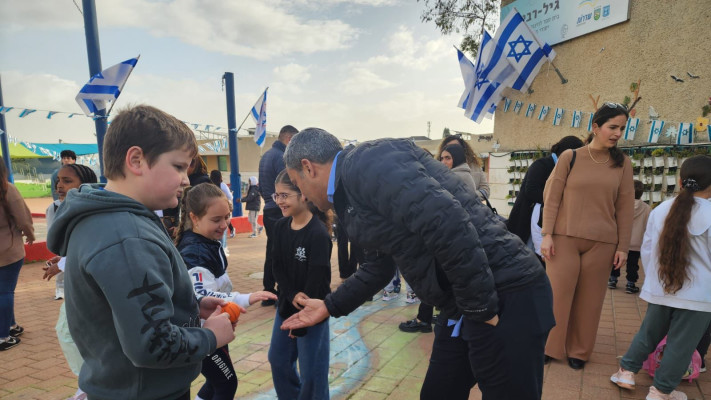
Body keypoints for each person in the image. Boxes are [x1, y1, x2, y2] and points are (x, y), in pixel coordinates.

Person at [280, 128, 554, 400]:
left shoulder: (366, 165)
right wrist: (329, 305)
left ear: (308, 167)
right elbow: (378, 267)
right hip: (464, 299)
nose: (302, 195)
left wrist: (481, 310)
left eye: (296, 182)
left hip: (506, 292)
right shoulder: (347, 195)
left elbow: (448, 223)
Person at [46, 105, 236, 400]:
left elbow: (124, 307)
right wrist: (210, 337)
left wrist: (189, 306)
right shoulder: (127, 237)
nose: (186, 179)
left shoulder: (109, 222)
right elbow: (151, 344)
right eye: (178, 166)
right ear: (136, 160)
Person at [540, 102, 635, 370]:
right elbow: (552, 198)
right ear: (596, 127)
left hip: (602, 243)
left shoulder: (623, 164)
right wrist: (547, 234)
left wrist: (623, 247)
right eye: (612, 127)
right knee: (557, 296)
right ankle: (550, 347)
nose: (617, 133)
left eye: (622, 128)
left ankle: (579, 352)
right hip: (563, 239)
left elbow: (625, 207)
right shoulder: (571, 157)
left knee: (590, 301)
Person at [610, 155, 711, 400]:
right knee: (681, 345)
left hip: (662, 287)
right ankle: (661, 391)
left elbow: (648, 249)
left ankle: (626, 371)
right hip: (698, 296)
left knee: (648, 333)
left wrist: (656, 280)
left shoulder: (662, 209)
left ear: (679, 180)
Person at [175, 183, 276, 400]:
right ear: (194, 218)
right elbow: (203, 295)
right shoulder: (195, 251)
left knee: (218, 381)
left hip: (215, 327)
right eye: (215, 220)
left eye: (227, 216)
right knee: (226, 383)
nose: (224, 225)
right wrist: (245, 298)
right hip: (203, 330)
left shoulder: (207, 242)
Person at [268, 170, 332, 400]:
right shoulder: (279, 228)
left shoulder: (317, 234)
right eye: (276, 196)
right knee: (278, 360)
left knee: (312, 374)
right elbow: (277, 267)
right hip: (285, 308)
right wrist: (291, 293)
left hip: (312, 313)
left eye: (284, 195)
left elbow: (318, 280)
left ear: (303, 195)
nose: (279, 201)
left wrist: (303, 322)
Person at [400, 143, 477, 334]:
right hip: (452, 236)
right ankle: (437, 315)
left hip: (450, 237)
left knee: (433, 278)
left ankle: (425, 319)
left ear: (457, 158)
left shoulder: (457, 176)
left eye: (448, 158)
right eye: (441, 158)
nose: (443, 162)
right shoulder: (461, 174)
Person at [42, 163, 97, 400]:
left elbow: (91, 247)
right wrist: (62, 258)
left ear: (84, 185)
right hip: (79, 286)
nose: (59, 186)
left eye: (67, 181)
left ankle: (90, 385)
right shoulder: (72, 209)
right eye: (58, 181)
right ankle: (88, 383)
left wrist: (62, 265)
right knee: (68, 332)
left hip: (88, 287)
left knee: (69, 332)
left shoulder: (88, 211)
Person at [506, 136, 584, 262]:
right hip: (526, 217)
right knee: (523, 257)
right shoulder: (542, 165)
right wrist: (556, 200)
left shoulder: (563, 168)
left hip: (542, 219)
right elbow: (531, 190)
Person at [258, 124, 298, 305]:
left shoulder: (266, 155)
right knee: (285, 252)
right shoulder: (282, 157)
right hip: (281, 210)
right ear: (289, 139)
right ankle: (283, 293)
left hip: (268, 209)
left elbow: (261, 186)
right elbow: (289, 184)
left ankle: (268, 291)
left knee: (272, 251)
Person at [0, 155, 35, 351]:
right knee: (5, 291)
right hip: (7, 250)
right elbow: (23, 218)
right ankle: (3, 336)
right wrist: (30, 235)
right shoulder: (7, 190)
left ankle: (11, 326)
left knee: (3, 291)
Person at [608, 179, 651, 294]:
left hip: (620, 240)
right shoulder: (647, 208)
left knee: (615, 261)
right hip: (636, 242)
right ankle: (631, 284)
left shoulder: (621, 205)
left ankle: (613, 279)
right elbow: (648, 226)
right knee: (633, 264)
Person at [437, 134, 489, 199]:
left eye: (455, 146)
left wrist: (469, 196)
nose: (452, 149)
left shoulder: (475, 167)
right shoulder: (438, 169)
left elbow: (485, 190)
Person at [209, 170, 234, 250]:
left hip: (211, 210)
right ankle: (223, 248)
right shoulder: (222, 185)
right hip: (222, 209)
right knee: (223, 229)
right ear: (220, 177)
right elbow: (230, 197)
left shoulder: (208, 185)